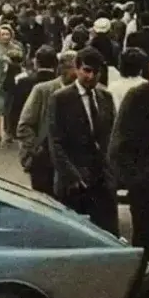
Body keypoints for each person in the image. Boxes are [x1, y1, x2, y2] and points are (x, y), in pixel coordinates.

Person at [47, 47, 118, 235]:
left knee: (108, 236)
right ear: (77, 69)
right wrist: (72, 177)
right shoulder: (60, 99)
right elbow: (55, 142)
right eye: (87, 70)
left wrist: (111, 173)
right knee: (72, 238)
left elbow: (110, 137)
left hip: (102, 182)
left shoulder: (105, 98)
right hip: (74, 183)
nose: (91, 76)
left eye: (96, 72)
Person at [109, 50, 149, 268]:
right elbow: (118, 146)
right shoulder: (137, 98)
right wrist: (138, 180)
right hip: (147, 189)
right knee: (146, 247)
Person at [15, 49, 74, 195]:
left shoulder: (85, 93)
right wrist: (36, 150)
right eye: (74, 67)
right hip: (45, 161)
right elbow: (24, 125)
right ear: (61, 69)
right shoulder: (43, 90)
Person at [88, 17, 120, 86]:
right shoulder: (115, 46)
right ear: (109, 30)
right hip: (112, 77)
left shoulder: (88, 46)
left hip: (93, 77)